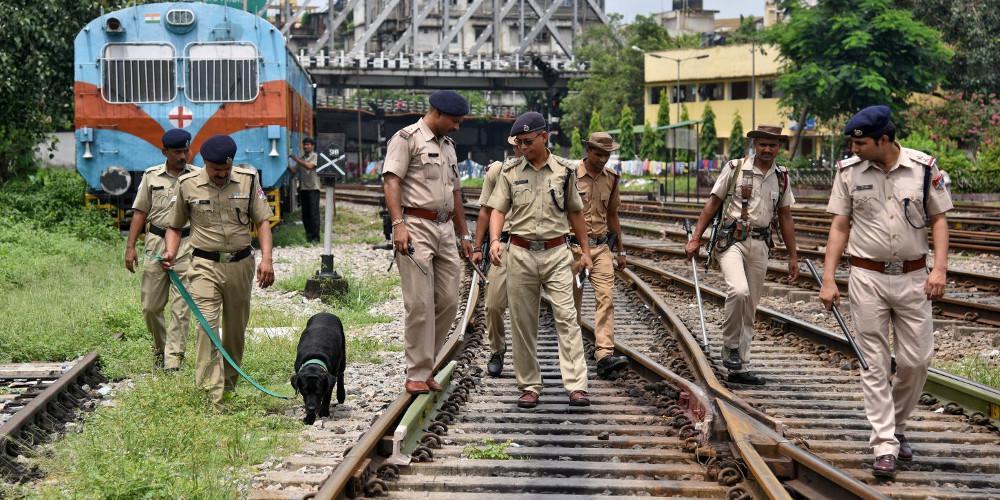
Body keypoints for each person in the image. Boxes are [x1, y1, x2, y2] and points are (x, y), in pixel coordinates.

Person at [819, 105, 951, 479]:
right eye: (852, 142)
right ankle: (884, 443)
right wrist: (829, 279)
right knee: (873, 362)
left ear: (884, 140)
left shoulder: (924, 168)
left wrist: (939, 268)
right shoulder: (848, 173)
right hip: (867, 277)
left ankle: (896, 425)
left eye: (860, 142)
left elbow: (939, 219)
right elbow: (840, 227)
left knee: (917, 360)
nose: (854, 148)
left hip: (913, 277)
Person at [487, 111, 594, 408]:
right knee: (523, 323)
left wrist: (584, 252)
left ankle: (576, 385)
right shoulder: (510, 172)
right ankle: (530, 385)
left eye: (527, 141)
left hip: (557, 253)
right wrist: (495, 241)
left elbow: (575, 213)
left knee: (567, 317)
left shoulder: (564, 171)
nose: (522, 147)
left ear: (544, 137)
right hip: (519, 253)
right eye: (518, 143)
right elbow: (497, 209)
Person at [161, 134, 275, 405]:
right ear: (204, 163)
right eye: (216, 170)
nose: (222, 174)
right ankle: (211, 396)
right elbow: (175, 226)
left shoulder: (248, 180)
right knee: (207, 328)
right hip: (204, 265)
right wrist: (170, 251)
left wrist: (267, 260)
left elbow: (263, 222)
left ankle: (229, 386)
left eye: (226, 169)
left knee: (235, 331)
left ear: (231, 162)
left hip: (240, 265)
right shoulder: (187, 185)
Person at [685, 125, 799, 386]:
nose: (767, 150)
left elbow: (785, 217)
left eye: (772, 145)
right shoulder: (735, 168)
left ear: (779, 148)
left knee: (750, 307)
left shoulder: (782, 177)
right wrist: (695, 238)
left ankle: (740, 367)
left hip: (761, 244)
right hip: (731, 240)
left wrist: (793, 256)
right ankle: (730, 346)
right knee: (739, 291)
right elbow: (713, 204)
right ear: (755, 145)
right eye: (763, 144)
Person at [382, 90, 473, 395]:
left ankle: (426, 363)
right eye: (454, 121)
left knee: (448, 300)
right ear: (437, 113)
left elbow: (456, 192)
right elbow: (391, 180)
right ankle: (418, 371)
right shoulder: (406, 138)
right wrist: (398, 225)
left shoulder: (449, 146)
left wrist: (464, 235)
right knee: (419, 303)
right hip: (415, 226)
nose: (457, 127)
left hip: (445, 228)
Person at [125, 129, 198, 370]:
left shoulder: (197, 177)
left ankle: (173, 360)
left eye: (185, 150)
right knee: (151, 307)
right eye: (177, 152)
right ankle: (161, 348)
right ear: (164, 151)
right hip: (156, 244)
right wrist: (130, 247)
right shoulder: (151, 176)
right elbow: (140, 212)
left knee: (181, 306)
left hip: (188, 245)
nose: (183, 156)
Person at [569, 132, 629, 378]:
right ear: (588, 150)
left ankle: (604, 353)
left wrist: (621, 250)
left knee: (606, 297)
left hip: (602, 247)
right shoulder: (570, 176)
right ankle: (571, 352)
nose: (603, 159)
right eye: (599, 153)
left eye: (607, 154)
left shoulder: (612, 180)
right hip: (573, 250)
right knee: (572, 303)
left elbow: (613, 215)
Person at [472, 136, 521, 377]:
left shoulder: (550, 172)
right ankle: (497, 349)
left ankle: (527, 360)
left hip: (535, 246)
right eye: (517, 143)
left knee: (530, 309)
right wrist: (477, 245)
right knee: (493, 305)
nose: (520, 147)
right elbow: (485, 212)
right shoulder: (498, 171)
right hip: (501, 243)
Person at [291, 137, 320, 242]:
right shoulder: (302, 158)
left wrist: (296, 159)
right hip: (303, 189)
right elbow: (294, 171)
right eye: (304, 144)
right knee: (305, 214)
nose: (305, 146)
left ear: (312, 146)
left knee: (314, 214)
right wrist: (285, 164)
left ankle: (315, 237)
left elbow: (309, 166)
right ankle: (308, 235)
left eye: (308, 144)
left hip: (313, 189)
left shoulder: (315, 156)